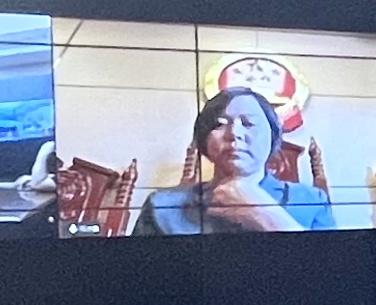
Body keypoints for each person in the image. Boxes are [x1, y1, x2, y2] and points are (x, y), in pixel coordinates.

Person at [135, 87, 332, 234]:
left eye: (249, 123)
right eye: (220, 124)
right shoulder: (162, 207)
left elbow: (329, 270)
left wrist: (264, 213)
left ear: (272, 136)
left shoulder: (312, 200)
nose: (234, 133)